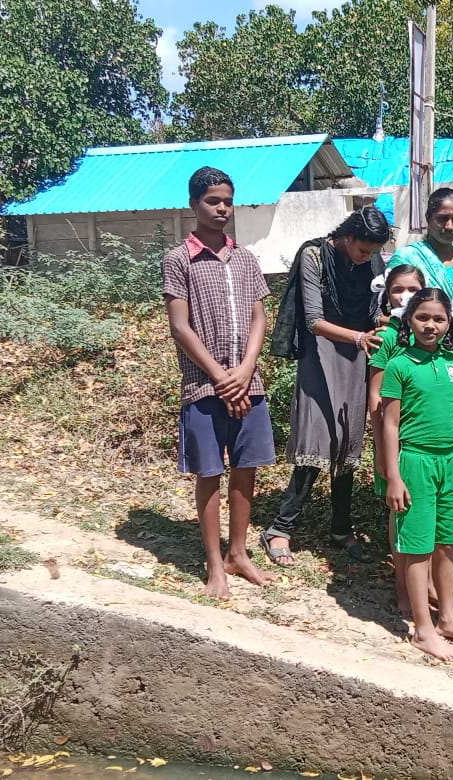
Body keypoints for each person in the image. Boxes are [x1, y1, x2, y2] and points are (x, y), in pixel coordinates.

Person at [162, 166, 276, 599]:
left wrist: (245, 370)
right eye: (213, 201)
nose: (222, 208)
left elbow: (259, 317)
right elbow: (180, 326)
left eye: (228, 200)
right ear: (194, 204)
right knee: (209, 473)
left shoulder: (245, 258)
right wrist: (220, 376)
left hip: (249, 384)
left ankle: (238, 553)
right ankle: (215, 564)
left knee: (246, 469)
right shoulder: (179, 259)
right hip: (203, 385)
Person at [262, 206, 391, 567]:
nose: (367, 258)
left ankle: (340, 528)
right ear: (347, 237)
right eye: (363, 250)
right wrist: (358, 337)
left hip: (358, 353)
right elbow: (313, 320)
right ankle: (280, 528)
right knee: (318, 440)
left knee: (348, 439)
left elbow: (372, 310)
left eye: (372, 252)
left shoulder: (371, 261)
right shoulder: (314, 255)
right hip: (320, 352)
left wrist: (393, 320)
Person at [381, 288, 453, 661]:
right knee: (417, 546)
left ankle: (448, 619)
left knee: (448, 543)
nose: (431, 325)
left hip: (451, 462)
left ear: (448, 322)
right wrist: (394, 476)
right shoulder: (399, 365)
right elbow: (390, 424)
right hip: (416, 462)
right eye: (422, 317)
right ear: (409, 320)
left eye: (439, 318)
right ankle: (423, 629)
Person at [367, 264, 425, 615]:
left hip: (428, 440)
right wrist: (382, 450)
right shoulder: (388, 338)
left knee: (427, 514)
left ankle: (424, 586)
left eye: (412, 290)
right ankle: (402, 587)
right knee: (401, 514)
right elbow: (375, 397)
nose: (404, 297)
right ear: (386, 295)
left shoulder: (430, 333)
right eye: (397, 290)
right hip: (398, 442)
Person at [386, 188, 453, 297]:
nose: (449, 226)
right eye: (442, 218)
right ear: (428, 218)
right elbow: (395, 300)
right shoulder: (407, 257)